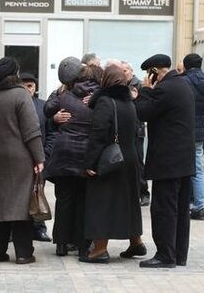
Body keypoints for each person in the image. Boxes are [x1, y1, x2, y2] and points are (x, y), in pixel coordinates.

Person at [0, 57, 45, 264]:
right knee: (21, 206)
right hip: (20, 158)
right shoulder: (21, 95)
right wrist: (39, 157)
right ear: (14, 74)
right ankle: (24, 253)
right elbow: (31, 131)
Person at [134, 54, 195, 269]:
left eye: (149, 73)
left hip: (167, 162)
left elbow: (142, 112)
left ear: (155, 71)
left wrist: (144, 90)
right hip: (184, 161)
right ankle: (179, 254)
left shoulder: (164, 89)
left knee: (164, 210)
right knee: (180, 211)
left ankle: (165, 255)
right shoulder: (183, 85)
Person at [80, 64, 145, 264]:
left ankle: (99, 250)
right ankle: (136, 242)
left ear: (105, 81)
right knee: (129, 203)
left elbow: (98, 134)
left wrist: (91, 163)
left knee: (102, 203)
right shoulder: (129, 103)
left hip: (110, 160)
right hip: (129, 158)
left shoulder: (105, 102)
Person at [44, 58, 101, 257]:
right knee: (83, 200)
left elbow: (47, 109)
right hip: (87, 155)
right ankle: (82, 243)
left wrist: (54, 117)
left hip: (63, 154)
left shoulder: (63, 93)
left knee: (64, 200)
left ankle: (61, 244)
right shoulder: (99, 97)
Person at [20, 72, 55, 242]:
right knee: (19, 195)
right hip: (19, 159)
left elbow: (51, 132)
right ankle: (18, 228)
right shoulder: (15, 104)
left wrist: (45, 153)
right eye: (23, 85)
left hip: (40, 158)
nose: (27, 89)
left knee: (38, 192)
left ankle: (39, 227)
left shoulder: (43, 106)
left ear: (35, 87)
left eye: (30, 86)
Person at [182, 54, 204, 221]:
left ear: (186, 66)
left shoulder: (185, 81)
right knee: (198, 169)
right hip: (199, 130)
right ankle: (199, 207)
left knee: (185, 168)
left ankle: (190, 204)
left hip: (185, 130)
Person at [121, 61, 150, 207]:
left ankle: (144, 192)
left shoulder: (138, 85)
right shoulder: (120, 86)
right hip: (124, 130)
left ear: (131, 71)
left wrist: (136, 98)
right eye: (121, 70)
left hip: (137, 130)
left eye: (125, 70)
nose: (123, 73)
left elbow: (143, 107)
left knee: (138, 162)